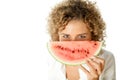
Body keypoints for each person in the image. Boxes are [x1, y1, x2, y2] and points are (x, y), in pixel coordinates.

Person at [47, 0, 116, 80]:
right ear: (57, 35)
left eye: (82, 36)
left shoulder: (106, 58)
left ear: (93, 35)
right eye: (65, 36)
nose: (73, 44)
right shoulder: (49, 59)